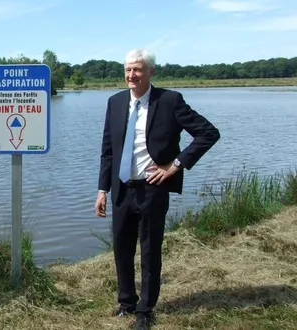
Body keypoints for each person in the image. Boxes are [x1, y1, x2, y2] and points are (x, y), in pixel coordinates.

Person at [95, 49, 220, 329]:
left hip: (153, 188)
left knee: (150, 250)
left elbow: (208, 133)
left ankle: (145, 310)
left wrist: (175, 165)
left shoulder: (170, 101)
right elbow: (107, 151)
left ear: (151, 71)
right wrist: (102, 189)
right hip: (122, 189)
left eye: (138, 69)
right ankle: (126, 302)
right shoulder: (115, 103)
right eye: (128, 69)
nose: (131, 75)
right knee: (121, 249)